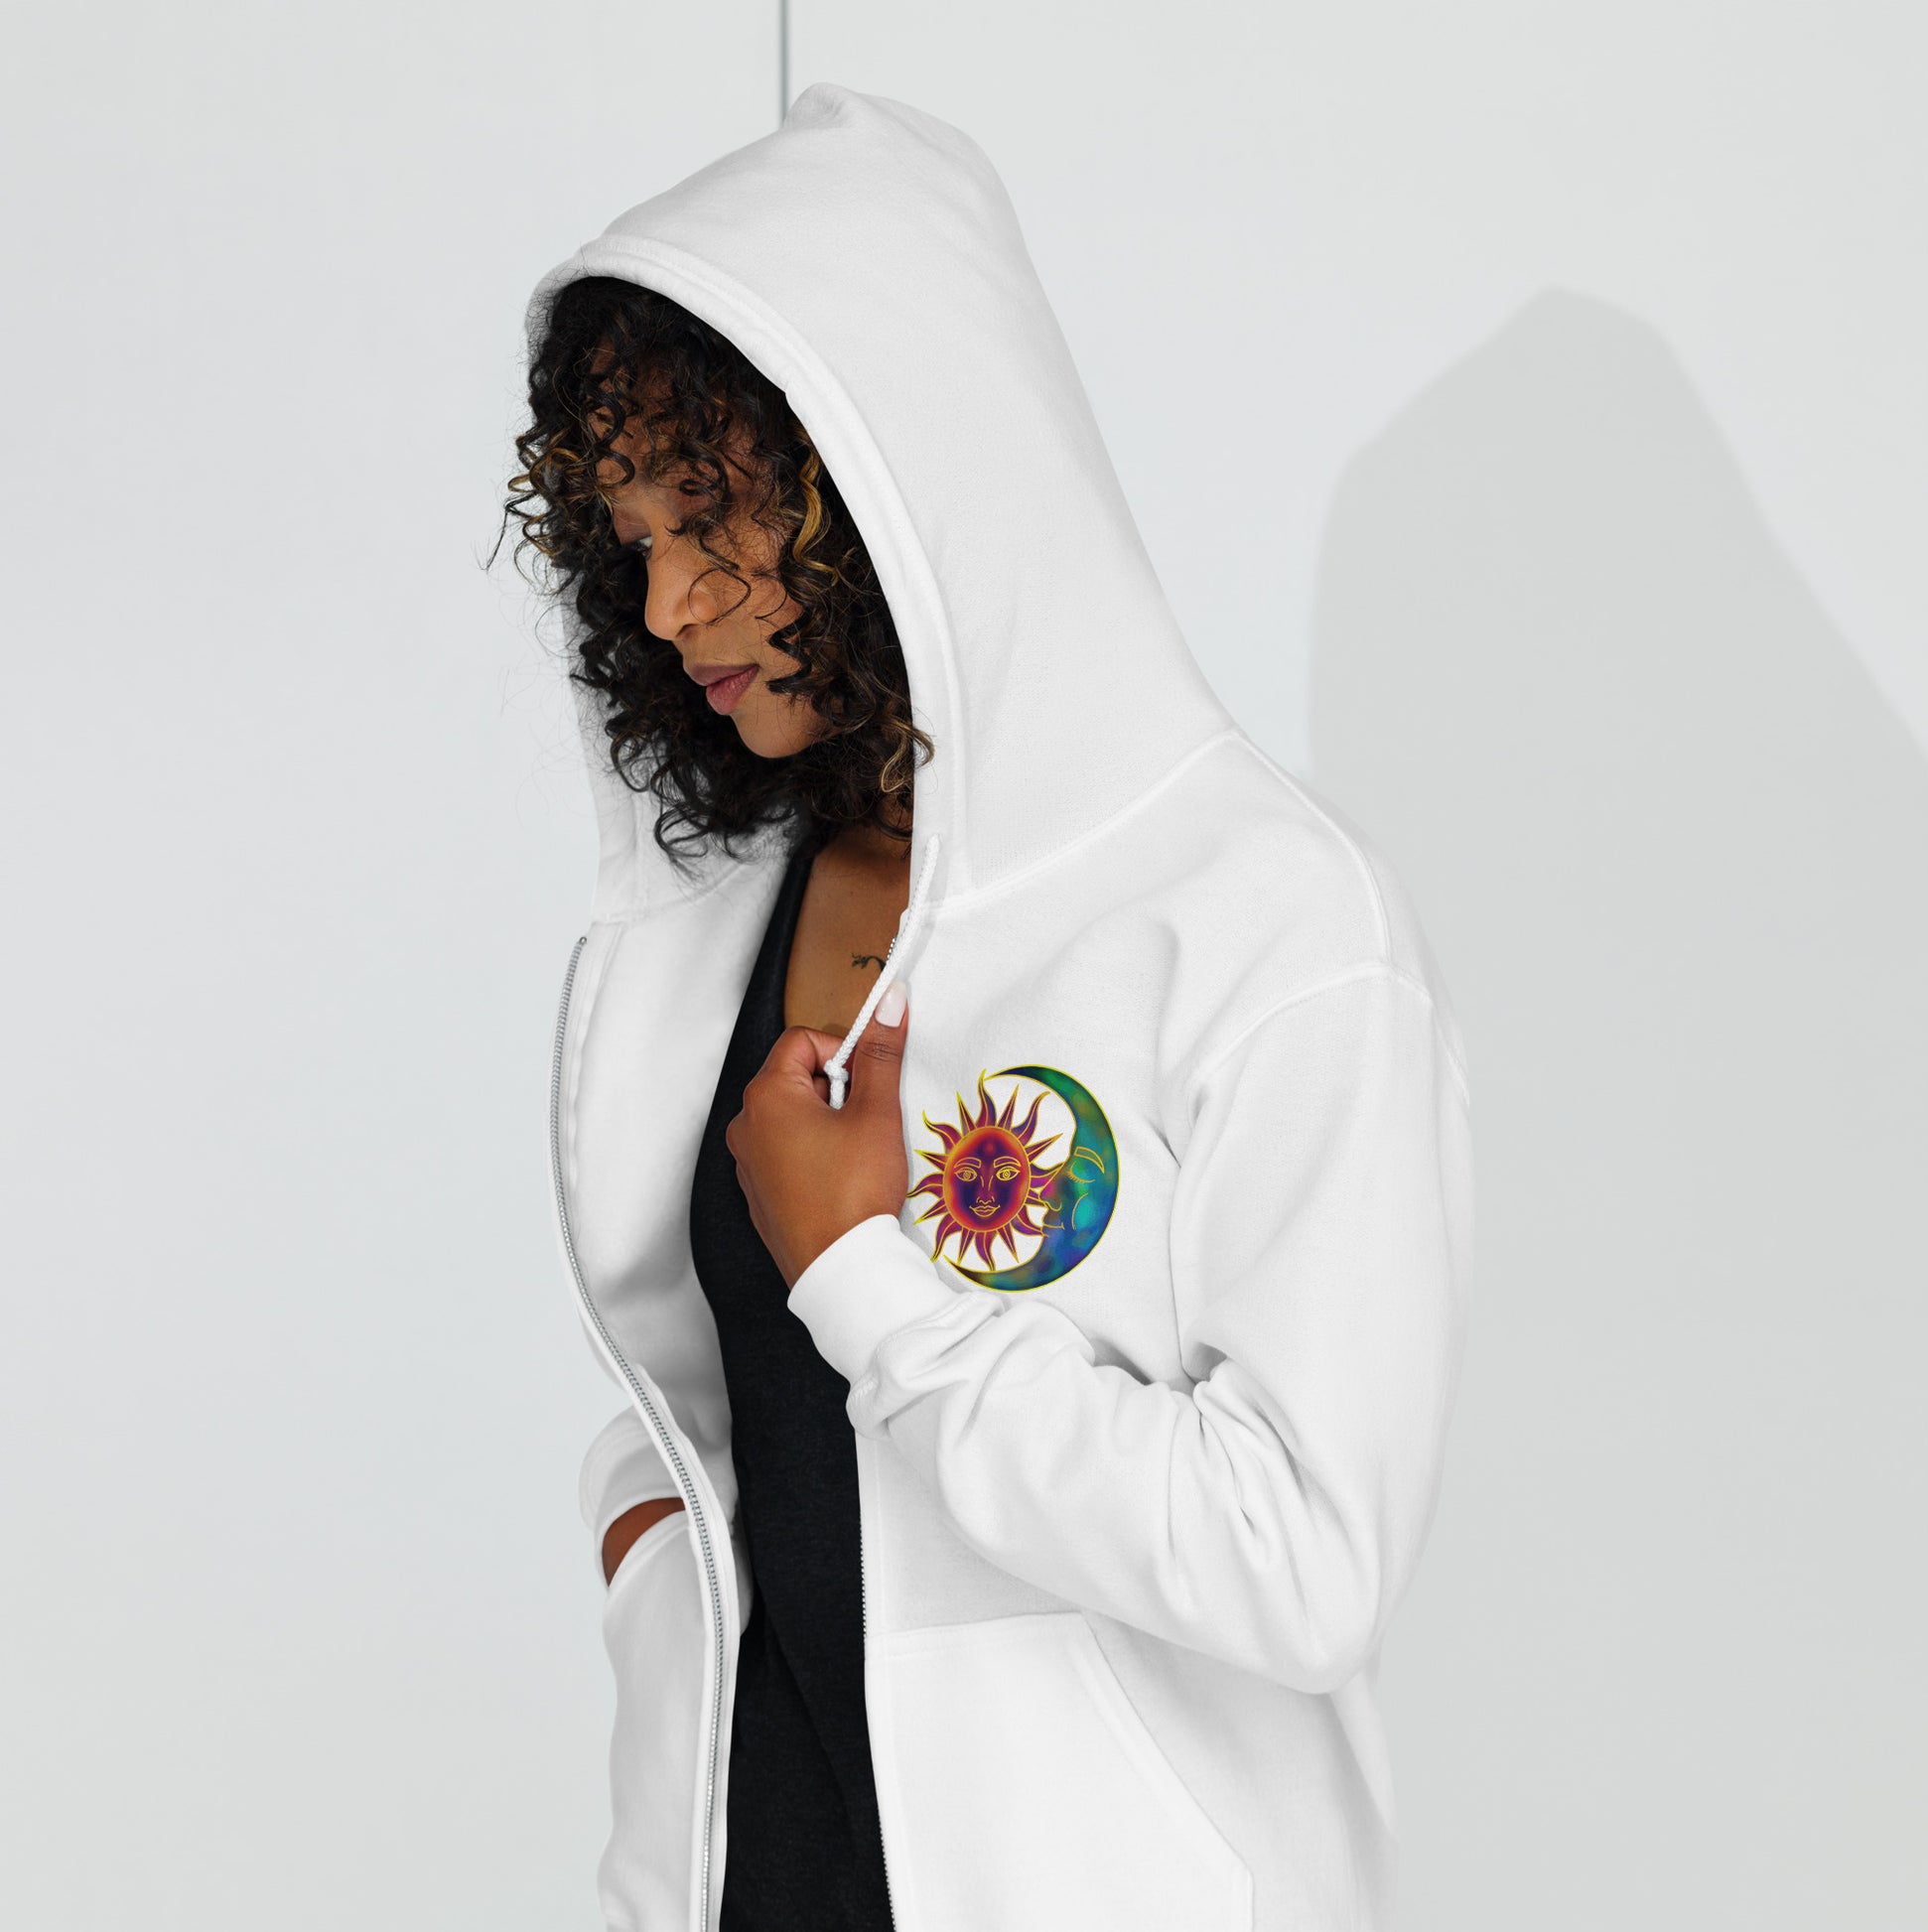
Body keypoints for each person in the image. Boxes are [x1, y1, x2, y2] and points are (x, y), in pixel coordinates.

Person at [504, 83, 1473, 1932]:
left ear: (901, 473)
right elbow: (704, 1391)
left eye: (709, 514)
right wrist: (648, 1540)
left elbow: (1304, 1563)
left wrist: (870, 1281)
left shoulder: (1264, 919)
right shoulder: (739, 899)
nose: (671, 601)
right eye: (628, 538)